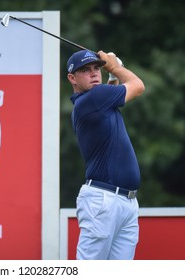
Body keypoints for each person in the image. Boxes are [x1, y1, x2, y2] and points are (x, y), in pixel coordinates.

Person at [66, 50, 145, 260]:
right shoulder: (95, 98)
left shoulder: (96, 100)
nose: (93, 73)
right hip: (104, 200)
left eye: (96, 68)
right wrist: (114, 67)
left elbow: (110, 100)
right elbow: (138, 86)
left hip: (124, 202)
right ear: (72, 78)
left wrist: (112, 77)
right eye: (85, 70)